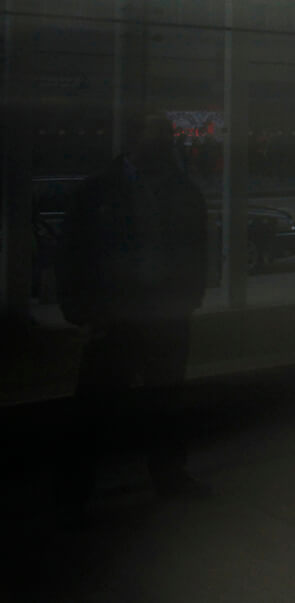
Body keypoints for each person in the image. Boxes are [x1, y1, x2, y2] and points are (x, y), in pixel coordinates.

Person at [55, 112, 211, 519]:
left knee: (156, 401)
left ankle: (152, 478)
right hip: (121, 317)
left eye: (162, 137)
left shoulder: (106, 190)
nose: (159, 144)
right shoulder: (100, 191)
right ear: (130, 141)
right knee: (98, 407)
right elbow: (73, 254)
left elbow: (197, 248)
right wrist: (83, 311)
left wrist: (190, 296)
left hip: (156, 314)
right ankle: (80, 492)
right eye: (153, 136)